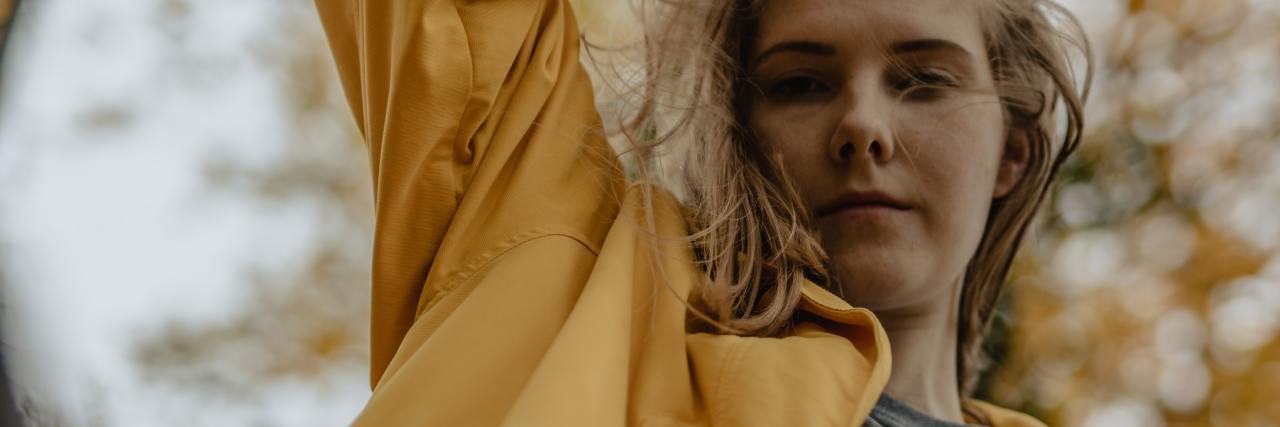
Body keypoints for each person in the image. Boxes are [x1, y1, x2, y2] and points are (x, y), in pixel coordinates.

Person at [314, 0, 1089, 425]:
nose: (862, 125)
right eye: (799, 84)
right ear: (739, 130)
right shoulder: (578, 292)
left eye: (923, 81)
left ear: (1014, 149)